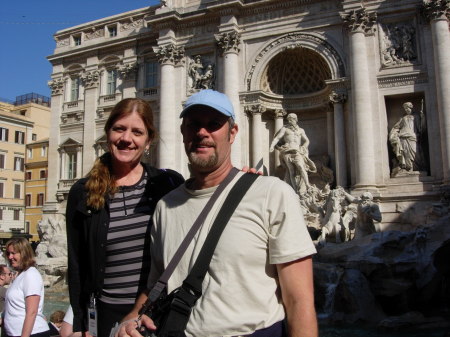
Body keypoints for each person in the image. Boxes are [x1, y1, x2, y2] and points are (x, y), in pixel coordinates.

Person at [118, 89, 318, 337]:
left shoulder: (273, 194)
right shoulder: (165, 206)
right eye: (194, 125)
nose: (202, 132)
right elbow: (156, 286)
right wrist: (131, 319)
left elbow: (299, 302)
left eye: (213, 124)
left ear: (232, 133)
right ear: (183, 132)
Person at [65, 98, 185, 337]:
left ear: (148, 140)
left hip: (153, 312)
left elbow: (202, 205)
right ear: (108, 133)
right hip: (103, 312)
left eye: (137, 132)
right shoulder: (83, 191)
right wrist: (79, 325)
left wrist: (242, 182)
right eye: (119, 128)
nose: (126, 138)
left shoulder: (167, 184)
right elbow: (76, 263)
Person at [3, 238, 50, 337]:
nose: (10, 257)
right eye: (8, 253)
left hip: (32, 333)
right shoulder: (20, 275)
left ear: (24, 253)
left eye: (13, 253)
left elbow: (32, 312)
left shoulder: (31, 274)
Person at [269, 113, 317, 195]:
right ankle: (294, 190)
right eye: (289, 119)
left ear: (296, 119)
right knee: (291, 170)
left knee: (301, 166)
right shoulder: (285, 129)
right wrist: (272, 146)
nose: (290, 121)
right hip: (287, 151)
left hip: (297, 151)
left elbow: (307, 140)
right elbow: (277, 138)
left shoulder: (301, 130)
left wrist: (304, 147)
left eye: (291, 119)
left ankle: (307, 184)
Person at [389, 101, 427, 173]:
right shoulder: (403, 118)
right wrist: (394, 134)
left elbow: (421, 128)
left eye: (408, 108)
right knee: (405, 153)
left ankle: (417, 168)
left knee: (416, 153)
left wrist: (423, 118)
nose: (406, 110)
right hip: (403, 137)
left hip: (412, 137)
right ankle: (408, 169)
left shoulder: (416, 116)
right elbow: (396, 127)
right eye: (405, 108)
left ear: (411, 108)